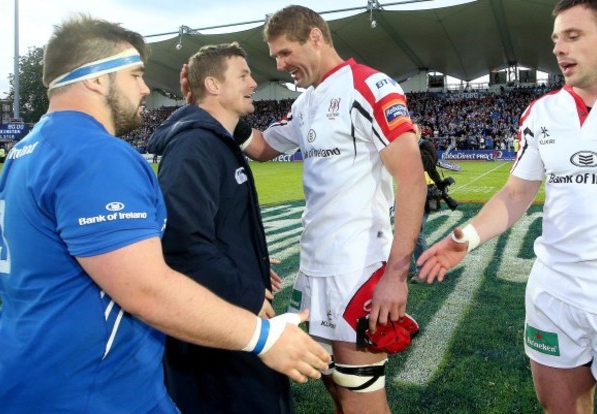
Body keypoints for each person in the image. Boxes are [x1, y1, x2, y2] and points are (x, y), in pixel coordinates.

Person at [0, 14, 330, 414]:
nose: (145, 88)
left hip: (22, 373)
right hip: (90, 392)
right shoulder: (94, 154)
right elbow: (146, 287)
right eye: (135, 74)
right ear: (95, 79)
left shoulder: (28, 149)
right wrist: (263, 337)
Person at [181, 6, 425, 413]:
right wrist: (211, 105)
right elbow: (263, 147)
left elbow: (413, 178)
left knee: (360, 391)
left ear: (315, 37)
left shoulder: (369, 86)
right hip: (315, 266)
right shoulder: (308, 100)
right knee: (335, 385)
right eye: (275, 57)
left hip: (358, 267)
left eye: (284, 53)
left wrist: (396, 276)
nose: (279, 65)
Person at [417, 1, 597, 412]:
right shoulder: (542, 112)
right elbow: (516, 193)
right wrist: (467, 237)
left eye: (573, 36)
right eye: (556, 39)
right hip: (554, 291)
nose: (558, 48)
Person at [147, 42, 292, 414]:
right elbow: (182, 242)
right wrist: (245, 289)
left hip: (230, 315)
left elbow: (217, 229)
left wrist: (252, 263)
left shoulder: (214, 141)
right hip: (220, 328)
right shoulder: (195, 147)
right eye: (243, 75)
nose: (254, 82)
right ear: (213, 85)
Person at [410, 123, 446, 283]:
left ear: (419, 133)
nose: (410, 134)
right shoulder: (407, 147)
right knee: (407, 232)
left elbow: (428, 164)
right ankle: (415, 267)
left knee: (416, 232)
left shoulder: (426, 145)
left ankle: (423, 269)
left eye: (413, 131)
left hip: (427, 193)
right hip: (409, 192)